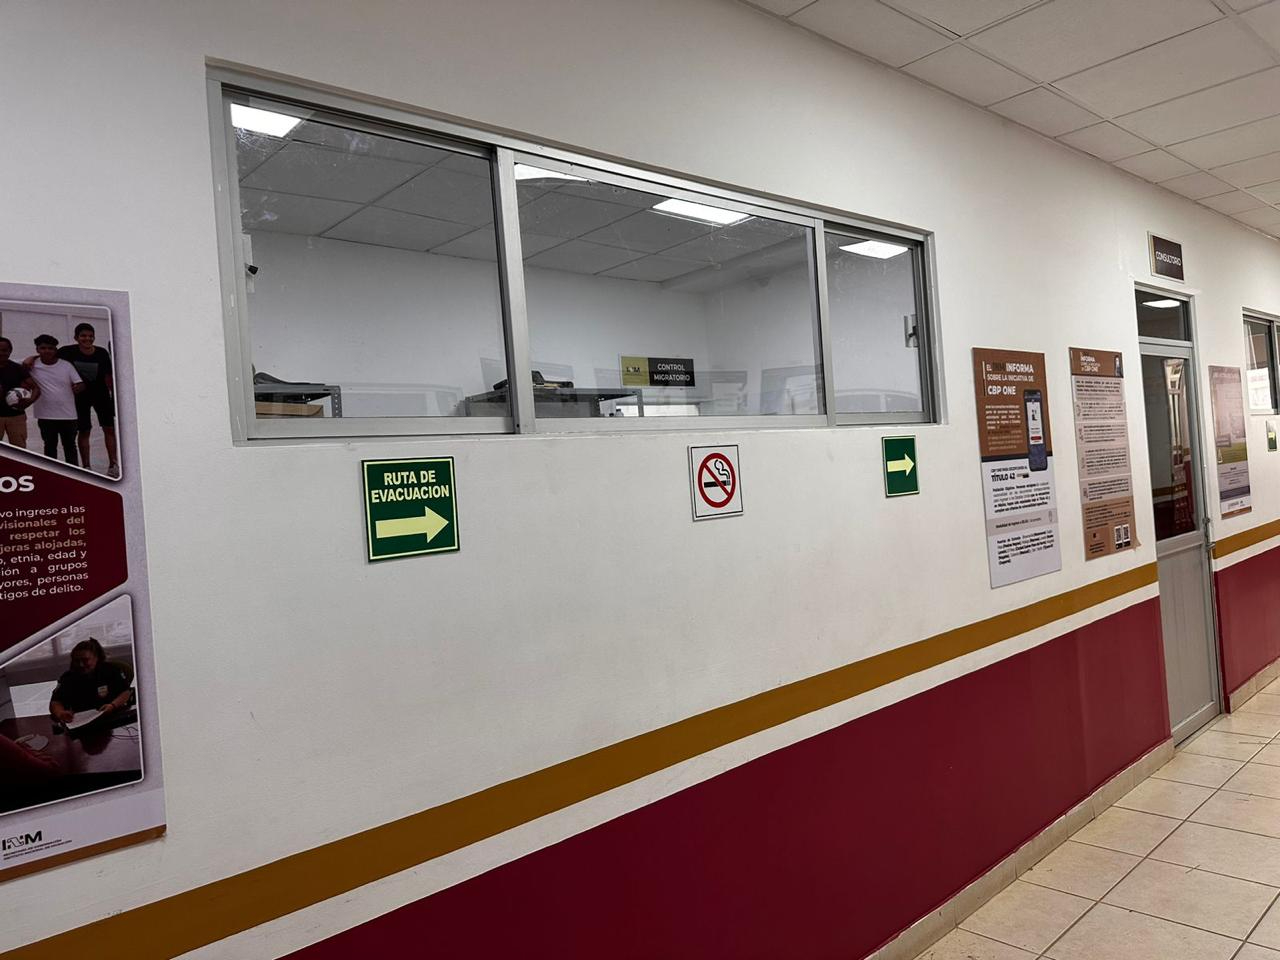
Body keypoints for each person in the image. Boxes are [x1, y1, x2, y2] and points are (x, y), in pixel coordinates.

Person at [58, 323, 118, 477]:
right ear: (76, 338)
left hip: (101, 396)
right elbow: (48, 356)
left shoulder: (102, 353)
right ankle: (86, 467)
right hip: (80, 398)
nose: (87, 338)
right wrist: (32, 358)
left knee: (109, 429)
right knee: (84, 431)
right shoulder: (67, 351)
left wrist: (114, 397)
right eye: (83, 336)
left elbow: (108, 376)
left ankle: (113, 464)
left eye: (90, 336)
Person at [26, 334, 84, 466]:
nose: (47, 351)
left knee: (70, 447)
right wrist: (30, 359)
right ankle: (52, 475)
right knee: (50, 447)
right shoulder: (31, 365)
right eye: (43, 348)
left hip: (68, 416)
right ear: (37, 349)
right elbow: (13, 365)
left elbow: (80, 383)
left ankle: (74, 475)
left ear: (55, 350)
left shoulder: (66, 366)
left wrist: (78, 387)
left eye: (51, 348)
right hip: (45, 416)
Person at [48, 638, 134, 725]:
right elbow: (56, 701)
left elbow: (125, 692)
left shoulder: (110, 670)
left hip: (111, 717)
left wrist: (113, 705)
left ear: (96, 658)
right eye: (77, 661)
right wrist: (60, 713)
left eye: (85, 660)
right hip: (82, 723)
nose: (81, 664)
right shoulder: (68, 677)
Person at [0, 336, 40, 448]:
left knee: (19, 450)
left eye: (4, 350)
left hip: (16, 416)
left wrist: (29, 401)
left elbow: (36, 388)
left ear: (10, 351)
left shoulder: (17, 368)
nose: (1, 353)